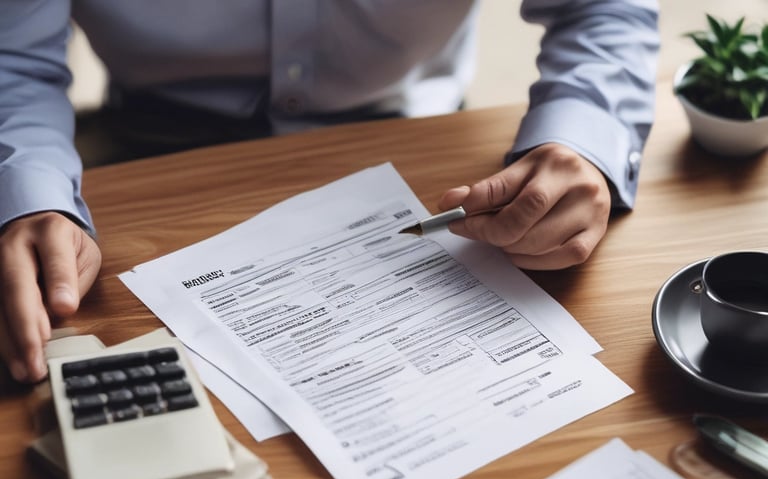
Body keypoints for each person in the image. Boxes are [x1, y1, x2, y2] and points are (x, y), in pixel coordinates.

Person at [0, 0, 659, 384]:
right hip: (154, 148)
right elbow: (14, 57)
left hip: (415, 139)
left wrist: (585, 139)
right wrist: (27, 191)